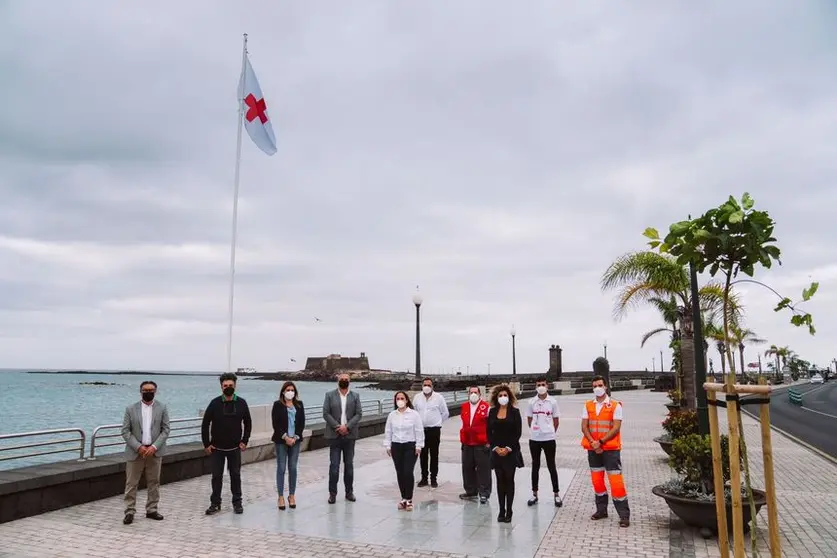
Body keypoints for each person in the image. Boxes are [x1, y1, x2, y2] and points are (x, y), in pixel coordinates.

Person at [581, 375, 630, 527]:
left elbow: (616, 428)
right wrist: (593, 442)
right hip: (593, 449)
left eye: (600, 385)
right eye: (595, 385)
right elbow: (584, 426)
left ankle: (624, 515)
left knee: (616, 482)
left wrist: (600, 442)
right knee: (597, 481)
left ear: (606, 386)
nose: (597, 388)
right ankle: (601, 510)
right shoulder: (588, 405)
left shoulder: (615, 405)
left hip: (610, 449)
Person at [202, 372, 252, 515]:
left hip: (235, 448)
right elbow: (205, 424)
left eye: (230, 385)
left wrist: (245, 441)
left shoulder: (241, 403)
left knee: (235, 476)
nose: (228, 387)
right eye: (225, 385)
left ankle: (237, 503)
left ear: (235, 386)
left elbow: (248, 423)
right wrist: (206, 444)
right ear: (221, 387)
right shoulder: (214, 403)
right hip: (217, 448)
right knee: (216, 477)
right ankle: (215, 503)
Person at [121, 380, 170, 525]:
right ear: (140, 391)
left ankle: (152, 509)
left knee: (154, 482)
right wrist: (138, 446)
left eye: (151, 390)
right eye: (145, 390)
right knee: (131, 483)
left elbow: (166, 429)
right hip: (136, 452)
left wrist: (154, 446)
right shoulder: (130, 409)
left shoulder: (162, 407)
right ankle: (129, 511)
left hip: (154, 451)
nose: (148, 392)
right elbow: (125, 431)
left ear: (155, 391)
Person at [322, 373, 363, 504]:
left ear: (349, 381)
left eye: (346, 379)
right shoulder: (329, 395)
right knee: (334, 466)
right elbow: (325, 413)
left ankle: (349, 492)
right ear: (337, 380)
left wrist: (347, 427)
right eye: (341, 379)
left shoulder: (355, 396)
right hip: (334, 435)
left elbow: (359, 414)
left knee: (349, 465)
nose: (344, 381)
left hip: (350, 436)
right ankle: (332, 493)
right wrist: (338, 426)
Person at [525, 377, 563, 508]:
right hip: (535, 439)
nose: (540, 386)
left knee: (551, 465)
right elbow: (529, 419)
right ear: (536, 387)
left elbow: (556, 420)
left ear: (547, 386)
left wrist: (549, 431)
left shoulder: (553, 402)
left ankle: (556, 494)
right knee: (535, 466)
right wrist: (536, 430)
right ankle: (534, 494)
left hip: (549, 438)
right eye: (538, 384)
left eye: (543, 384)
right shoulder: (531, 402)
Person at [487, 384, 523, 523]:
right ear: (496, 397)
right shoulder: (492, 412)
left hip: (511, 451)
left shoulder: (515, 412)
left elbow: (517, 433)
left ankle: (509, 510)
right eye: (500, 395)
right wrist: (495, 447)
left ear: (509, 397)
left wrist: (508, 448)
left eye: (505, 395)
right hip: (496, 451)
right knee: (499, 480)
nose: (503, 398)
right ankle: (501, 510)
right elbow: (489, 432)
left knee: (509, 480)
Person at [384, 391, 424, 511]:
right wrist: (387, 445)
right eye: (398, 398)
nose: (400, 400)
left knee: (407, 471)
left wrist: (419, 446)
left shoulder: (414, 415)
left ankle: (409, 499)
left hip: (410, 446)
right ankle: (403, 498)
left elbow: (419, 431)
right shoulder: (392, 415)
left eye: (402, 398)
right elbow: (388, 431)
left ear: (406, 400)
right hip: (396, 446)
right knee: (400, 472)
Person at [271, 381, 306, 511]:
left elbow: (301, 423)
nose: (290, 392)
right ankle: (280, 496)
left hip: (295, 441)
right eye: (288, 390)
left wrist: (295, 437)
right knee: (281, 468)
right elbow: (276, 424)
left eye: (292, 390)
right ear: (283, 392)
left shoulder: (299, 405)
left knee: (293, 468)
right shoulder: (277, 405)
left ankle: (291, 495)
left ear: (295, 392)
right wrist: (285, 437)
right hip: (281, 441)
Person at [413, 377, 449, 488]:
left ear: (432, 386)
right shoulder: (417, 398)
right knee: (422, 456)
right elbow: (414, 413)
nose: (426, 387)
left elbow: (445, 413)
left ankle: (434, 479)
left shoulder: (439, 398)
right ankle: (424, 478)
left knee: (434, 455)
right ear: (422, 386)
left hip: (434, 430)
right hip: (421, 431)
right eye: (425, 385)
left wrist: (437, 422)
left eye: (429, 385)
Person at [459, 386, 492, 504]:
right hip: (467, 442)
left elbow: (490, 426)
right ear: (468, 394)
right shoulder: (464, 406)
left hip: (481, 443)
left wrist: (489, 441)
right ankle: (470, 491)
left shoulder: (486, 407)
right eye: (471, 392)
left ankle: (484, 493)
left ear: (479, 394)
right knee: (467, 467)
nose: (473, 394)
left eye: (475, 392)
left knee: (483, 469)